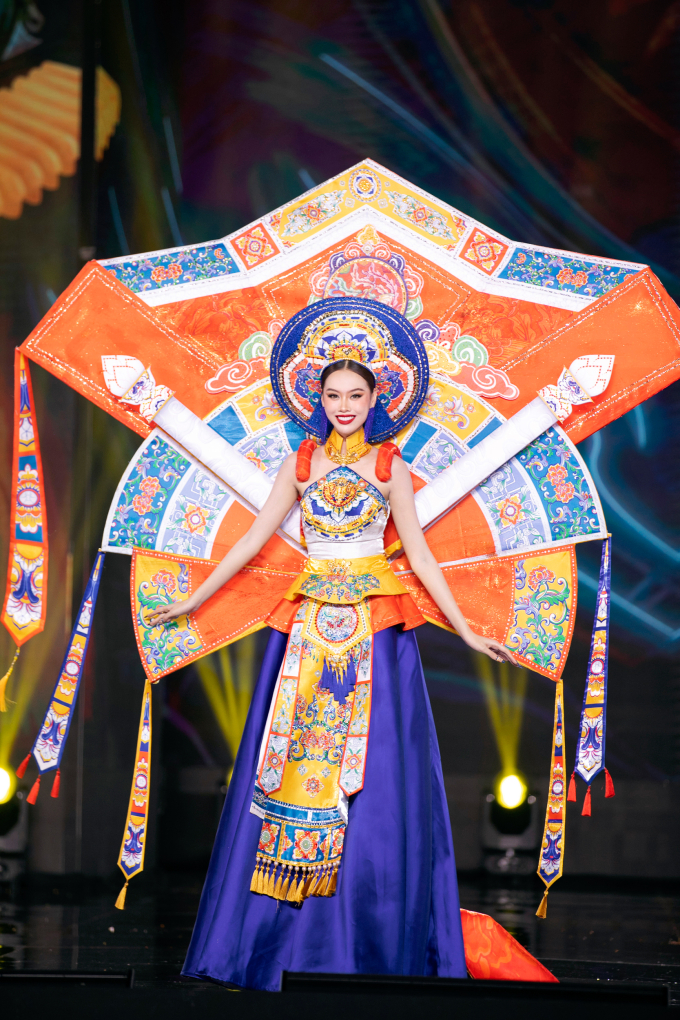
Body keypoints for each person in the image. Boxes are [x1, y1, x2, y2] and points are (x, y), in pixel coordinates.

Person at [149, 312, 516, 990]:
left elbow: (423, 559)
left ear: (377, 400)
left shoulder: (389, 466)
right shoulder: (302, 462)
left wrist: (465, 628)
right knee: (284, 767)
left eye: (356, 396)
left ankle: (363, 939)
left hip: (373, 633)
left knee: (374, 784)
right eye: (333, 396)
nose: (344, 406)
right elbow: (253, 539)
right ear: (316, 400)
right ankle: (278, 941)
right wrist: (195, 601)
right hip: (309, 631)